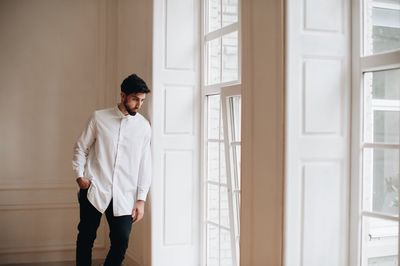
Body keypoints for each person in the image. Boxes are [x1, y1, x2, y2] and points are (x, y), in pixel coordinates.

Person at [72, 74, 152, 266]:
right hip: (95, 188)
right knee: (86, 238)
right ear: (123, 95)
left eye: (141, 100)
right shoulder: (99, 117)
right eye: (134, 99)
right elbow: (81, 148)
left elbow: (145, 163)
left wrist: (141, 200)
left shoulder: (143, 126)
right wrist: (80, 177)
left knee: (121, 241)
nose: (138, 104)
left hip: (124, 194)